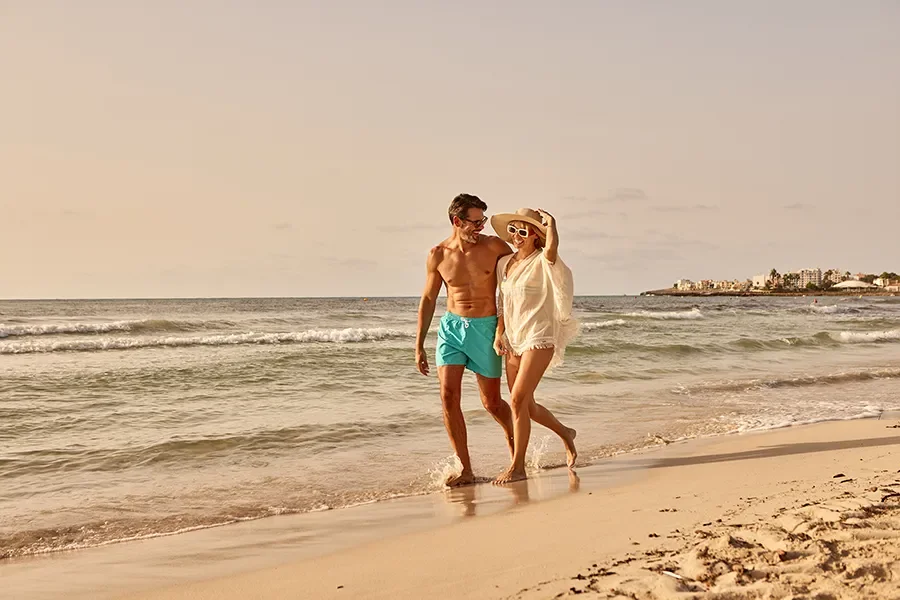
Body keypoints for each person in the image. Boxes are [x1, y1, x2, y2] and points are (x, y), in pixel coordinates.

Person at [416, 194, 515, 487]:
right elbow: (429, 298)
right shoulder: (438, 254)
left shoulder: (496, 247)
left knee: (492, 403)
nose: (481, 227)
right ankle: (466, 469)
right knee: (448, 397)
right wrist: (419, 343)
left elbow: (513, 288)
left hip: (486, 328)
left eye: (483, 221)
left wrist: (502, 329)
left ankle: (517, 456)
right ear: (457, 221)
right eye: (475, 222)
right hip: (451, 329)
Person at [490, 207, 579, 484]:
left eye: (523, 231)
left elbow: (552, 249)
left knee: (516, 400)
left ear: (536, 236)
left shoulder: (544, 260)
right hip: (513, 338)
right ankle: (565, 432)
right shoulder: (504, 264)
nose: (516, 236)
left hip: (539, 336)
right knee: (526, 405)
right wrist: (499, 334)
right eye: (513, 230)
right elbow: (502, 302)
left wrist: (552, 225)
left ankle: (518, 467)